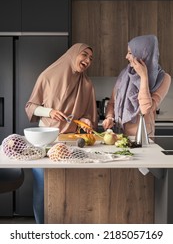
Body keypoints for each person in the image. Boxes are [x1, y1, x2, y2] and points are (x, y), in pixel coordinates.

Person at [25, 43, 98, 223]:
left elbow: (88, 115)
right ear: (73, 54)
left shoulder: (87, 84)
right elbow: (31, 107)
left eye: (91, 58)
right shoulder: (47, 76)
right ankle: (42, 228)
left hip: (70, 144)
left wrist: (87, 120)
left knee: (70, 188)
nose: (88, 60)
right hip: (44, 143)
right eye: (84, 55)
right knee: (43, 188)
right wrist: (49, 112)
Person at [102, 35, 171, 137]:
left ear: (142, 54)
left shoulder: (163, 78)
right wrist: (109, 117)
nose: (126, 57)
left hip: (142, 138)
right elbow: (112, 103)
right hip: (119, 136)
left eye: (130, 53)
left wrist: (144, 77)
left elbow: (146, 110)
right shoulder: (124, 75)